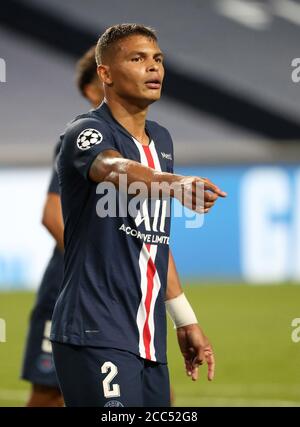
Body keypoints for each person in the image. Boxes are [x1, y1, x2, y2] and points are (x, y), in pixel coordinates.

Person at [50, 23, 227, 407]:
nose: (154, 68)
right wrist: (175, 184)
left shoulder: (161, 140)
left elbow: (154, 241)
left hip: (148, 340)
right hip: (94, 330)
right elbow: (113, 169)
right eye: (138, 59)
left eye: (157, 59)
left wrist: (185, 319)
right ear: (105, 74)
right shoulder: (87, 132)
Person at [21, 46, 104, 407]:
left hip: (121, 293)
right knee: (50, 393)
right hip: (70, 289)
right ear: (91, 88)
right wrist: (99, 265)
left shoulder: (147, 144)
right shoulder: (81, 139)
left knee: (151, 386)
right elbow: (52, 215)